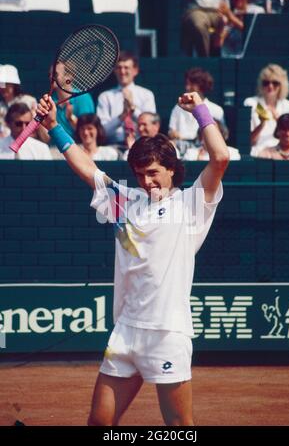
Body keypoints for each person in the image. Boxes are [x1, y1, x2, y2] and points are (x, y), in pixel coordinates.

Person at [36, 89, 229, 426]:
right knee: (99, 423)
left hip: (167, 333)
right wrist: (54, 126)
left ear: (171, 170)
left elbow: (221, 157)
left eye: (153, 172)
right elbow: (88, 168)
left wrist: (200, 111)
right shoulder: (125, 201)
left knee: (179, 428)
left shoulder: (192, 205)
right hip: (125, 331)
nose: (146, 180)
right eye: (140, 174)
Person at [96, 51, 156, 151]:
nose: (122, 71)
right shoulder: (105, 96)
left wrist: (133, 109)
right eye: (119, 68)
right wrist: (122, 116)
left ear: (135, 70)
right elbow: (102, 132)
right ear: (114, 70)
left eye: (126, 68)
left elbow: (151, 126)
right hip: (113, 147)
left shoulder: (147, 95)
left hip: (141, 146)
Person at [169, 67, 227, 157]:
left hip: (206, 150)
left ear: (202, 85)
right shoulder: (178, 107)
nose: (187, 87)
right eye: (187, 84)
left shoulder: (216, 109)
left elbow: (221, 135)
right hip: (181, 148)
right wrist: (174, 134)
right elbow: (171, 132)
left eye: (191, 84)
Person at [243, 64, 289, 157]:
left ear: (282, 85)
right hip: (260, 152)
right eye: (266, 83)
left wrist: (279, 120)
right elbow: (248, 141)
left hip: (284, 153)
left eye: (275, 83)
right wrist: (262, 124)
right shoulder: (251, 103)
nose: (270, 86)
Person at [49, 64, 95, 140]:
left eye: (55, 74)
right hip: (54, 148)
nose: (51, 77)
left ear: (69, 76)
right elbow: (46, 139)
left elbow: (88, 134)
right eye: (49, 74)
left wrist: (71, 118)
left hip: (79, 147)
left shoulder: (83, 98)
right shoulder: (51, 101)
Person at [0, 64, 37, 138]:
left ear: (14, 84)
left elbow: (36, 131)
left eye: (7, 84)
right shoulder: (1, 106)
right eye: (1, 84)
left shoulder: (29, 101)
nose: (3, 87)